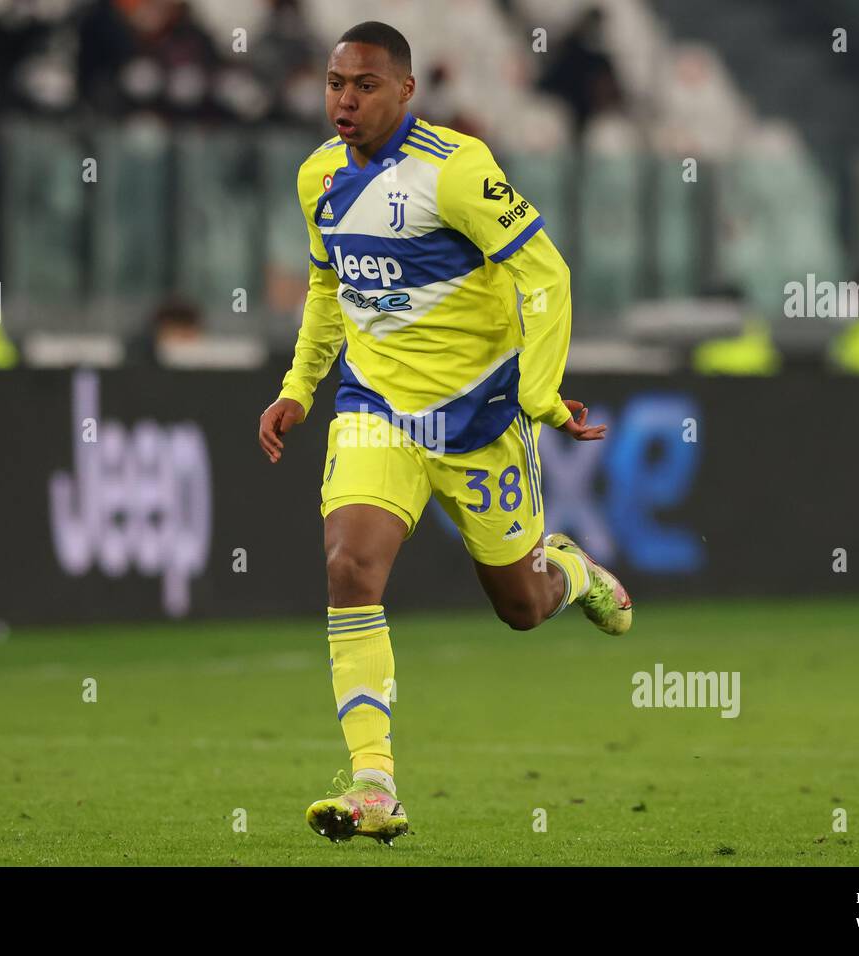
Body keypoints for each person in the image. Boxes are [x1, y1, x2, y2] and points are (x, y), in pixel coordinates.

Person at [256, 21, 633, 846]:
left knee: (523, 608)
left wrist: (538, 393)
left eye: (363, 86)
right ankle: (374, 786)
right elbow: (328, 286)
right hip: (375, 411)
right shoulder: (318, 176)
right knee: (350, 567)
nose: (343, 100)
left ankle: (568, 568)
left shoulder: (458, 171)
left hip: (480, 421)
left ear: (406, 90)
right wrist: (300, 387)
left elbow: (547, 274)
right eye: (333, 84)